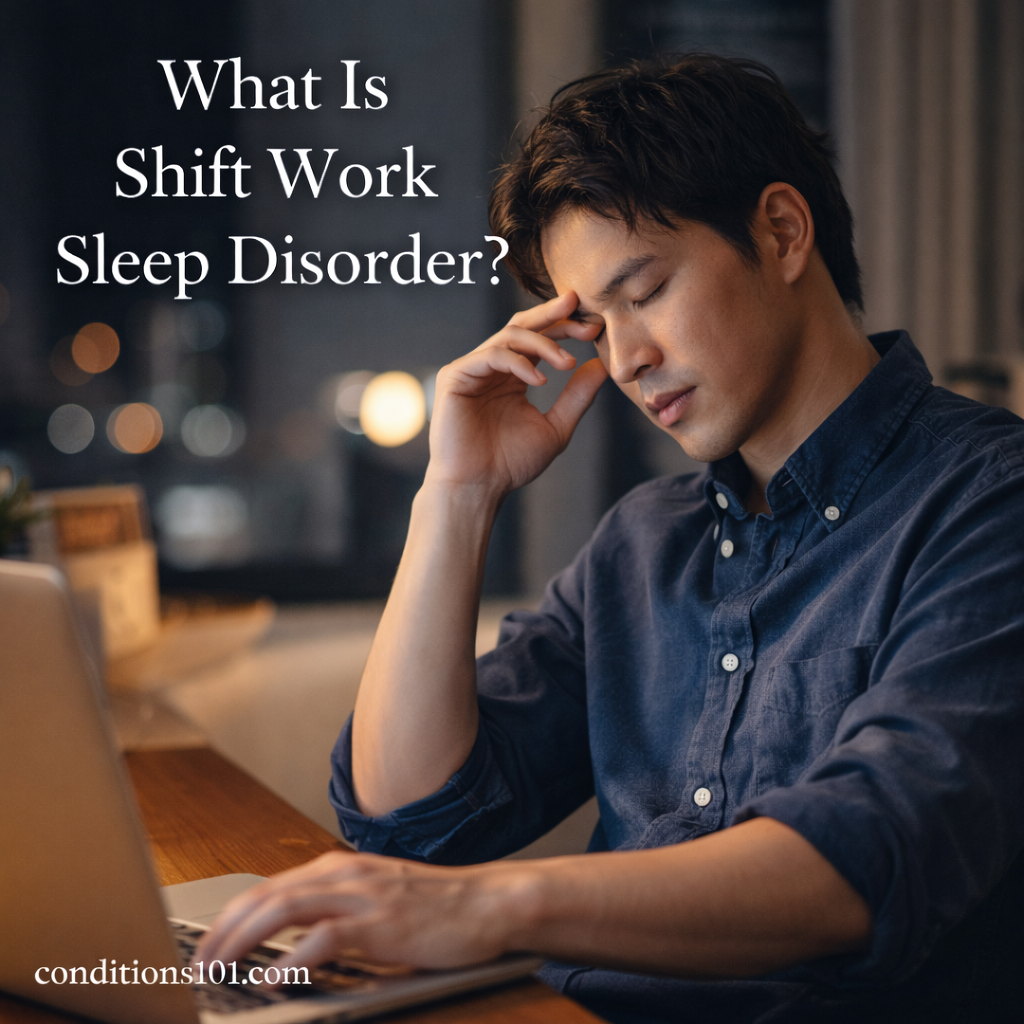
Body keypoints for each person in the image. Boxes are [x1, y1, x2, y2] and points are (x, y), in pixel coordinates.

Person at [198, 56, 1024, 1022]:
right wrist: (457, 494)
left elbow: (872, 855)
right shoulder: (645, 541)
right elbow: (411, 822)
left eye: (647, 292)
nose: (627, 359)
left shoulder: (987, 501)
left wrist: (498, 908)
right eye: (593, 324)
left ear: (784, 232)